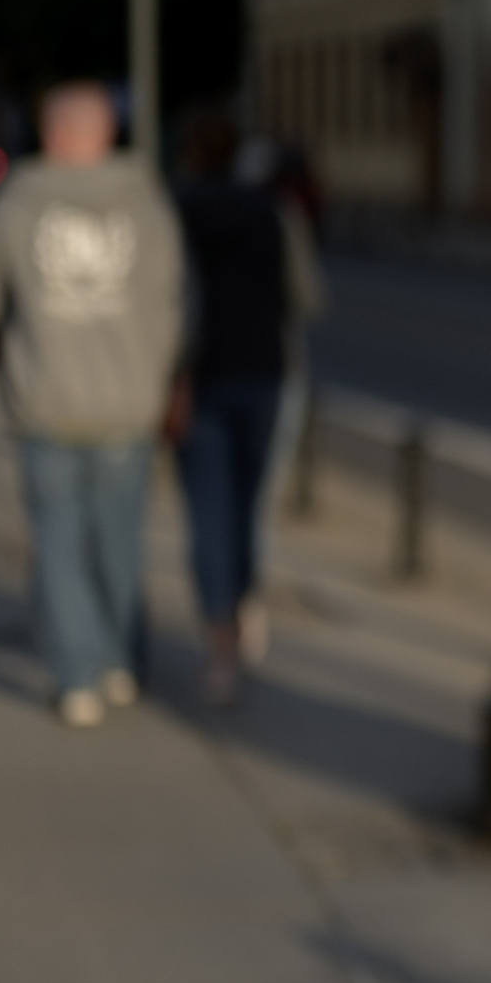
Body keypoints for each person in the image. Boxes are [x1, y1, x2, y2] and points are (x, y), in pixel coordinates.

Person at [0, 83, 183, 729]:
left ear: (53, 134)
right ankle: (117, 661)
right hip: (128, 403)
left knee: (59, 542)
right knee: (119, 540)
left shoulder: (17, 204)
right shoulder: (147, 205)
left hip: (48, 399)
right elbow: (176, 304)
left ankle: (76, 678)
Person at [170, 107, 325, 707]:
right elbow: (307, 298)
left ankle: (219, 651)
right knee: (252, 507)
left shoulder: (176, 211)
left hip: (198, 378)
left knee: (210, 513)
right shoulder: (275, 212)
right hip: (268, 375)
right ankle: (247, 608)